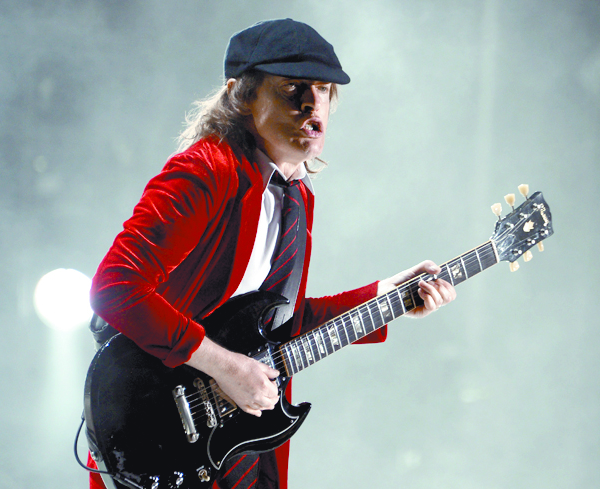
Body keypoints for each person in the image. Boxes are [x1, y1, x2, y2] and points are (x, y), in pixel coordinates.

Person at [86, 18, 456, 489]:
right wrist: (226, 367)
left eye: (323, 89)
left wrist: (385, 296)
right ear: (241, 96)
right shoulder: (205, 171)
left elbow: (278, 325)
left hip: (240, 443)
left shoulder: (297, 199)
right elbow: (114, 288)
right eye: (292, 88)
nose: (312, 103)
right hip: (158, 432)